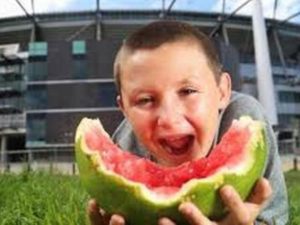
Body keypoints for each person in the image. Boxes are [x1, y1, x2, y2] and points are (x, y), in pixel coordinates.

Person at [87, 20, 289, 225]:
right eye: (145, 100)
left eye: (188, 91)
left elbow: (274, 216)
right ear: (124, 109)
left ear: (222, 91)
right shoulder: (122, 145)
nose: (169, 118)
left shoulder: (246, 118)